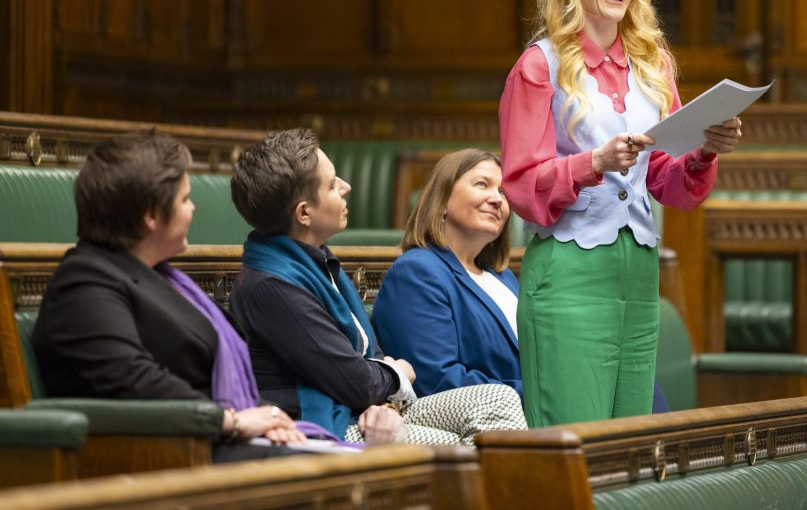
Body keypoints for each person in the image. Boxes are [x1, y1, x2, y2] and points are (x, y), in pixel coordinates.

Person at [499, 0, 743, 427]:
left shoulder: (654, 65)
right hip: (569, 274)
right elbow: (521, 187)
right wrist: (594, 162)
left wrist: (702, 151)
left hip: (637, 273)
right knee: (576, 439)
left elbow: (666, 181)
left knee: (628, 446)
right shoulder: (538, 66)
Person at [229, 129, 526, 446]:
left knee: (497, 399)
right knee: (458, 452)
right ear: (304, 213)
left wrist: (386, 400)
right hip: (322, 423)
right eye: (332, 185)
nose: (346, 187)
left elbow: (369, 358)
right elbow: (354, 379)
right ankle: (520, 493)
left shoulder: (320, 263)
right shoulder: (271, 285)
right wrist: (395, 375)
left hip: (372, 408)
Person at [32, 130, 309, 463]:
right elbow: (133, 380)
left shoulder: (160, 276)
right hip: (155, 458)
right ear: (151, 215)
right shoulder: (83, 284)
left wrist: (268, 417)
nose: (192, 209)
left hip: (205, 442)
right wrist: (230, 421)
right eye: (184, 199)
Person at [374, 149, 521, 398]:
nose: (497, 199)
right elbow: (437, 380)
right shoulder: (417, 272)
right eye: (482, 184)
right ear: (442, 201)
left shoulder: (503, 276)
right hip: (471, 429)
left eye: (503, 192)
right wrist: (541, 397)